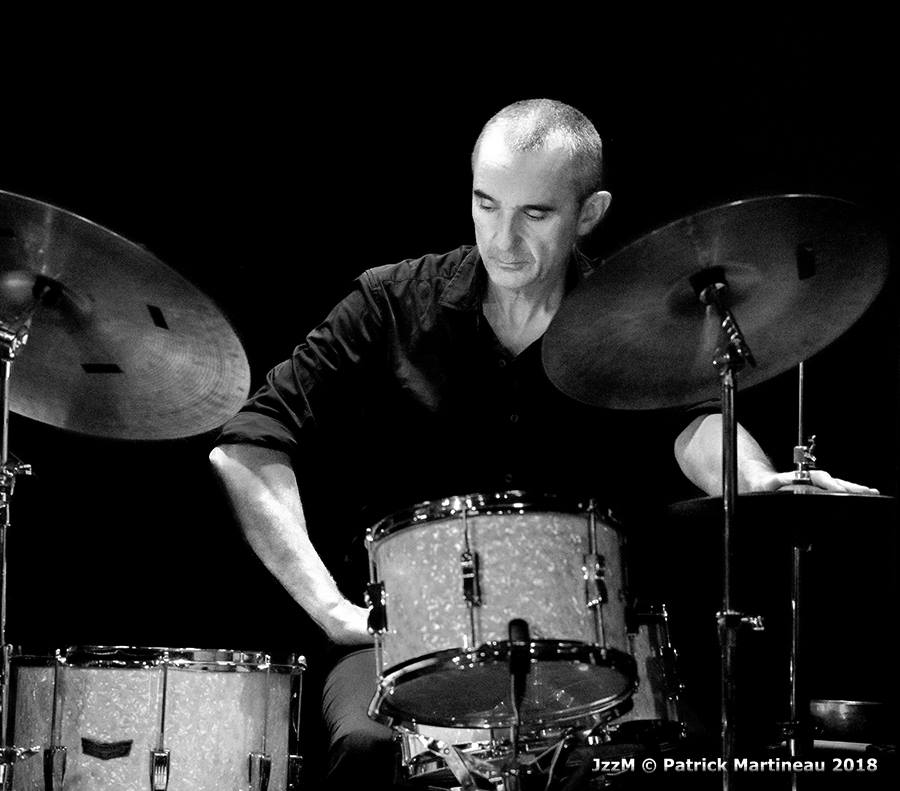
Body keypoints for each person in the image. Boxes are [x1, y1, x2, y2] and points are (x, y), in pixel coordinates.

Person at [209, 99, 877, 789]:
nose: (503, 239)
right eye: (486, 204)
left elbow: (698, 425)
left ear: (589, 213)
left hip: (591, 639)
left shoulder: (630, 314)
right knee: (367, 748)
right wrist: (328, 607)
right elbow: (247, 443)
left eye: (535, 213)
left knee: (670, 758)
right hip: (405, 641)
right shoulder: (391, 303)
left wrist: (756, 482)